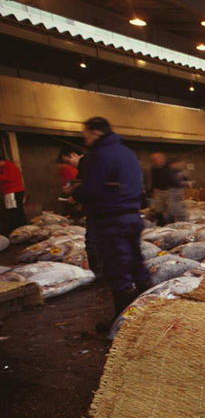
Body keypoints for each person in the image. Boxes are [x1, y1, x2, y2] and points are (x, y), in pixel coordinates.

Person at [70, 117, 150, 331]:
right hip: (132, 216)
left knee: (118, 269)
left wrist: (75, 192)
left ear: (96, 133)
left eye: (85, 133)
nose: (84, 138)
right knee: (136, 263)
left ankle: (122, 324)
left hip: (111, 219)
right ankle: (150, 311)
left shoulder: (100, 155)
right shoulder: (127, 153)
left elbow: (92, 190)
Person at [0, 154, 26, 235]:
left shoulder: (9, 166)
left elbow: (9, 178)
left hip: (12, 192)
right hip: (12, 191)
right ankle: (20, 229)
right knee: (15, 211)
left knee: (14, 212)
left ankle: (19, 230)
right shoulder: (7, 167)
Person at [57, 147, 83, 218]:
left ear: (73, 155)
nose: (70, 165)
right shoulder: (81, 167)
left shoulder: (87, 164)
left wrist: (76, 197)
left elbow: (91, 184)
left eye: (68, 162)